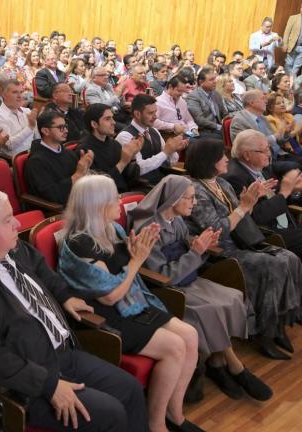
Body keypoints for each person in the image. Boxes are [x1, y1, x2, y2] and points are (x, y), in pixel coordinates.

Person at [0, 187, 149, 432]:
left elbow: (41, 269)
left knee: (131, 390)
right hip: (28, 382)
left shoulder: (11, 247)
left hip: (62, 352)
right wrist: (48, 385)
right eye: (8, 220)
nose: (17, 223)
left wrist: (64, 296)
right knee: (111, 413)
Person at [60, 175, 202, 430]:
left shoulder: (112, 228)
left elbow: (125, 264)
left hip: (131, 302)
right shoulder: (78, 243)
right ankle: (156, 423)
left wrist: (139, 248)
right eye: (113, 197)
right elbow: (110, 294)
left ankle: (175, 413)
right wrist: (137, 260)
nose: (119, 201)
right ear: (97, 204)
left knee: (190, 335)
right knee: (175, 347)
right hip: (105, 315)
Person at [131, 175, 272, 401]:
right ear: (173, 198)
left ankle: (217, 362)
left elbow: (187, 243)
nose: (194, 203)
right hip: (167, 289)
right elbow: (162, 275)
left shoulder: (175, 219)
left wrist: (204, 243)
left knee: (233, 296)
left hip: (188, 276)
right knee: (209, 309)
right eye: (190, 198)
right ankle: (235, 367)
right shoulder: (149, 227)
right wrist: (196, 251)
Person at [183, 139, 302, 359]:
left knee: (288, 257)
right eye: (221, 156)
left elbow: (243, 217)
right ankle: (265, 331)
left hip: (241, 241)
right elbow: (218, 229)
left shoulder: (222, 183)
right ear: (209, 161)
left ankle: (283, 320)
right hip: (218, 252)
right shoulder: (195, 190)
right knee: (270, 264)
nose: (226, 159)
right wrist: (244, 206)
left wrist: (252, 201)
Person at [224, 129, 302, 305]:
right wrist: (285, 192)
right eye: (264, 149)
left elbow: (276, 201)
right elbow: (255, 217)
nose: (269, 153)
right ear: (247, 154)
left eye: (268, 147)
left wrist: (295, 191)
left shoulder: (262, 168)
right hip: (266, 232)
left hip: (284, 223)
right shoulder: (235, 178)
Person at [230, 90, 302, 176]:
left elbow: (279, 142)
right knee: (294, 166)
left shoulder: (262, 118)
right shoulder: (239, 121)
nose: (266, 101)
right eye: (263, 98)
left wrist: (285, 133)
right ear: (252, 103)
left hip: (279, 154)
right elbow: (248, 147)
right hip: (262, 159)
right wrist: (277, 134)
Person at [25, 110, 93, 205]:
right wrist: (78, 174)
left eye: (65, 126)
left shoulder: (69, 153)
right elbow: (52, 195)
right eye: (60, 127)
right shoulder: (36, 161)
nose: (66, 130)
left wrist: (86, 169)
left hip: (79, 200)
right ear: (45, 131)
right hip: (57, 210)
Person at [116, 94, 187, 184]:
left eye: (155, 112)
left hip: (160, 181)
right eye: (150, 113)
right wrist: (165, 152)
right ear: (137, 114)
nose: (155, 117)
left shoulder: (154, 131)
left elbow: (169, 163)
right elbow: (139, 169)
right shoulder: (125, 136)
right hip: (142, 185)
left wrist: (173, 150)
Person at [81, 103, 142, 192]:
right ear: (94, 124)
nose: (113, 122)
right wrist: (123, 162)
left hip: (124, 194)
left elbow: (130, 180)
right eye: (107, 119)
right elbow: (99, 188)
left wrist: (132, 158)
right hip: (104, 201)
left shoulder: (115, 144)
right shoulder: (85, 150)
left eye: (112, 118)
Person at [0, 80, 38, 157]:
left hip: (34, 156)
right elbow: (9, 146)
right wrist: (30, 128)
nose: (20, 96)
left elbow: (37, 138)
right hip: (14, 163)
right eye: (15, 92)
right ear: (4, 95)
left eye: (21, 92)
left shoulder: (27, 111)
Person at [264, 93, 302, 157]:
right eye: (278, 103)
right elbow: (282, 139)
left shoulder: (289, 116)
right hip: (288, 150)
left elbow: (299, 136)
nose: (282, 104)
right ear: (270, 108)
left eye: (283, 102)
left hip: (298, 146)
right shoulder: (270, 119)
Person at [186, 67, 225, 139]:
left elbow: (223, 113)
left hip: (219, 126)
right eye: (211, 80)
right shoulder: (193, 96)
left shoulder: (216, 94)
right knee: (224, 136)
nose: (215, 82)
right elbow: (199, 119)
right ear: (201, 82)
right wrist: (218, 126)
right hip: (204, 130)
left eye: (215, 79)